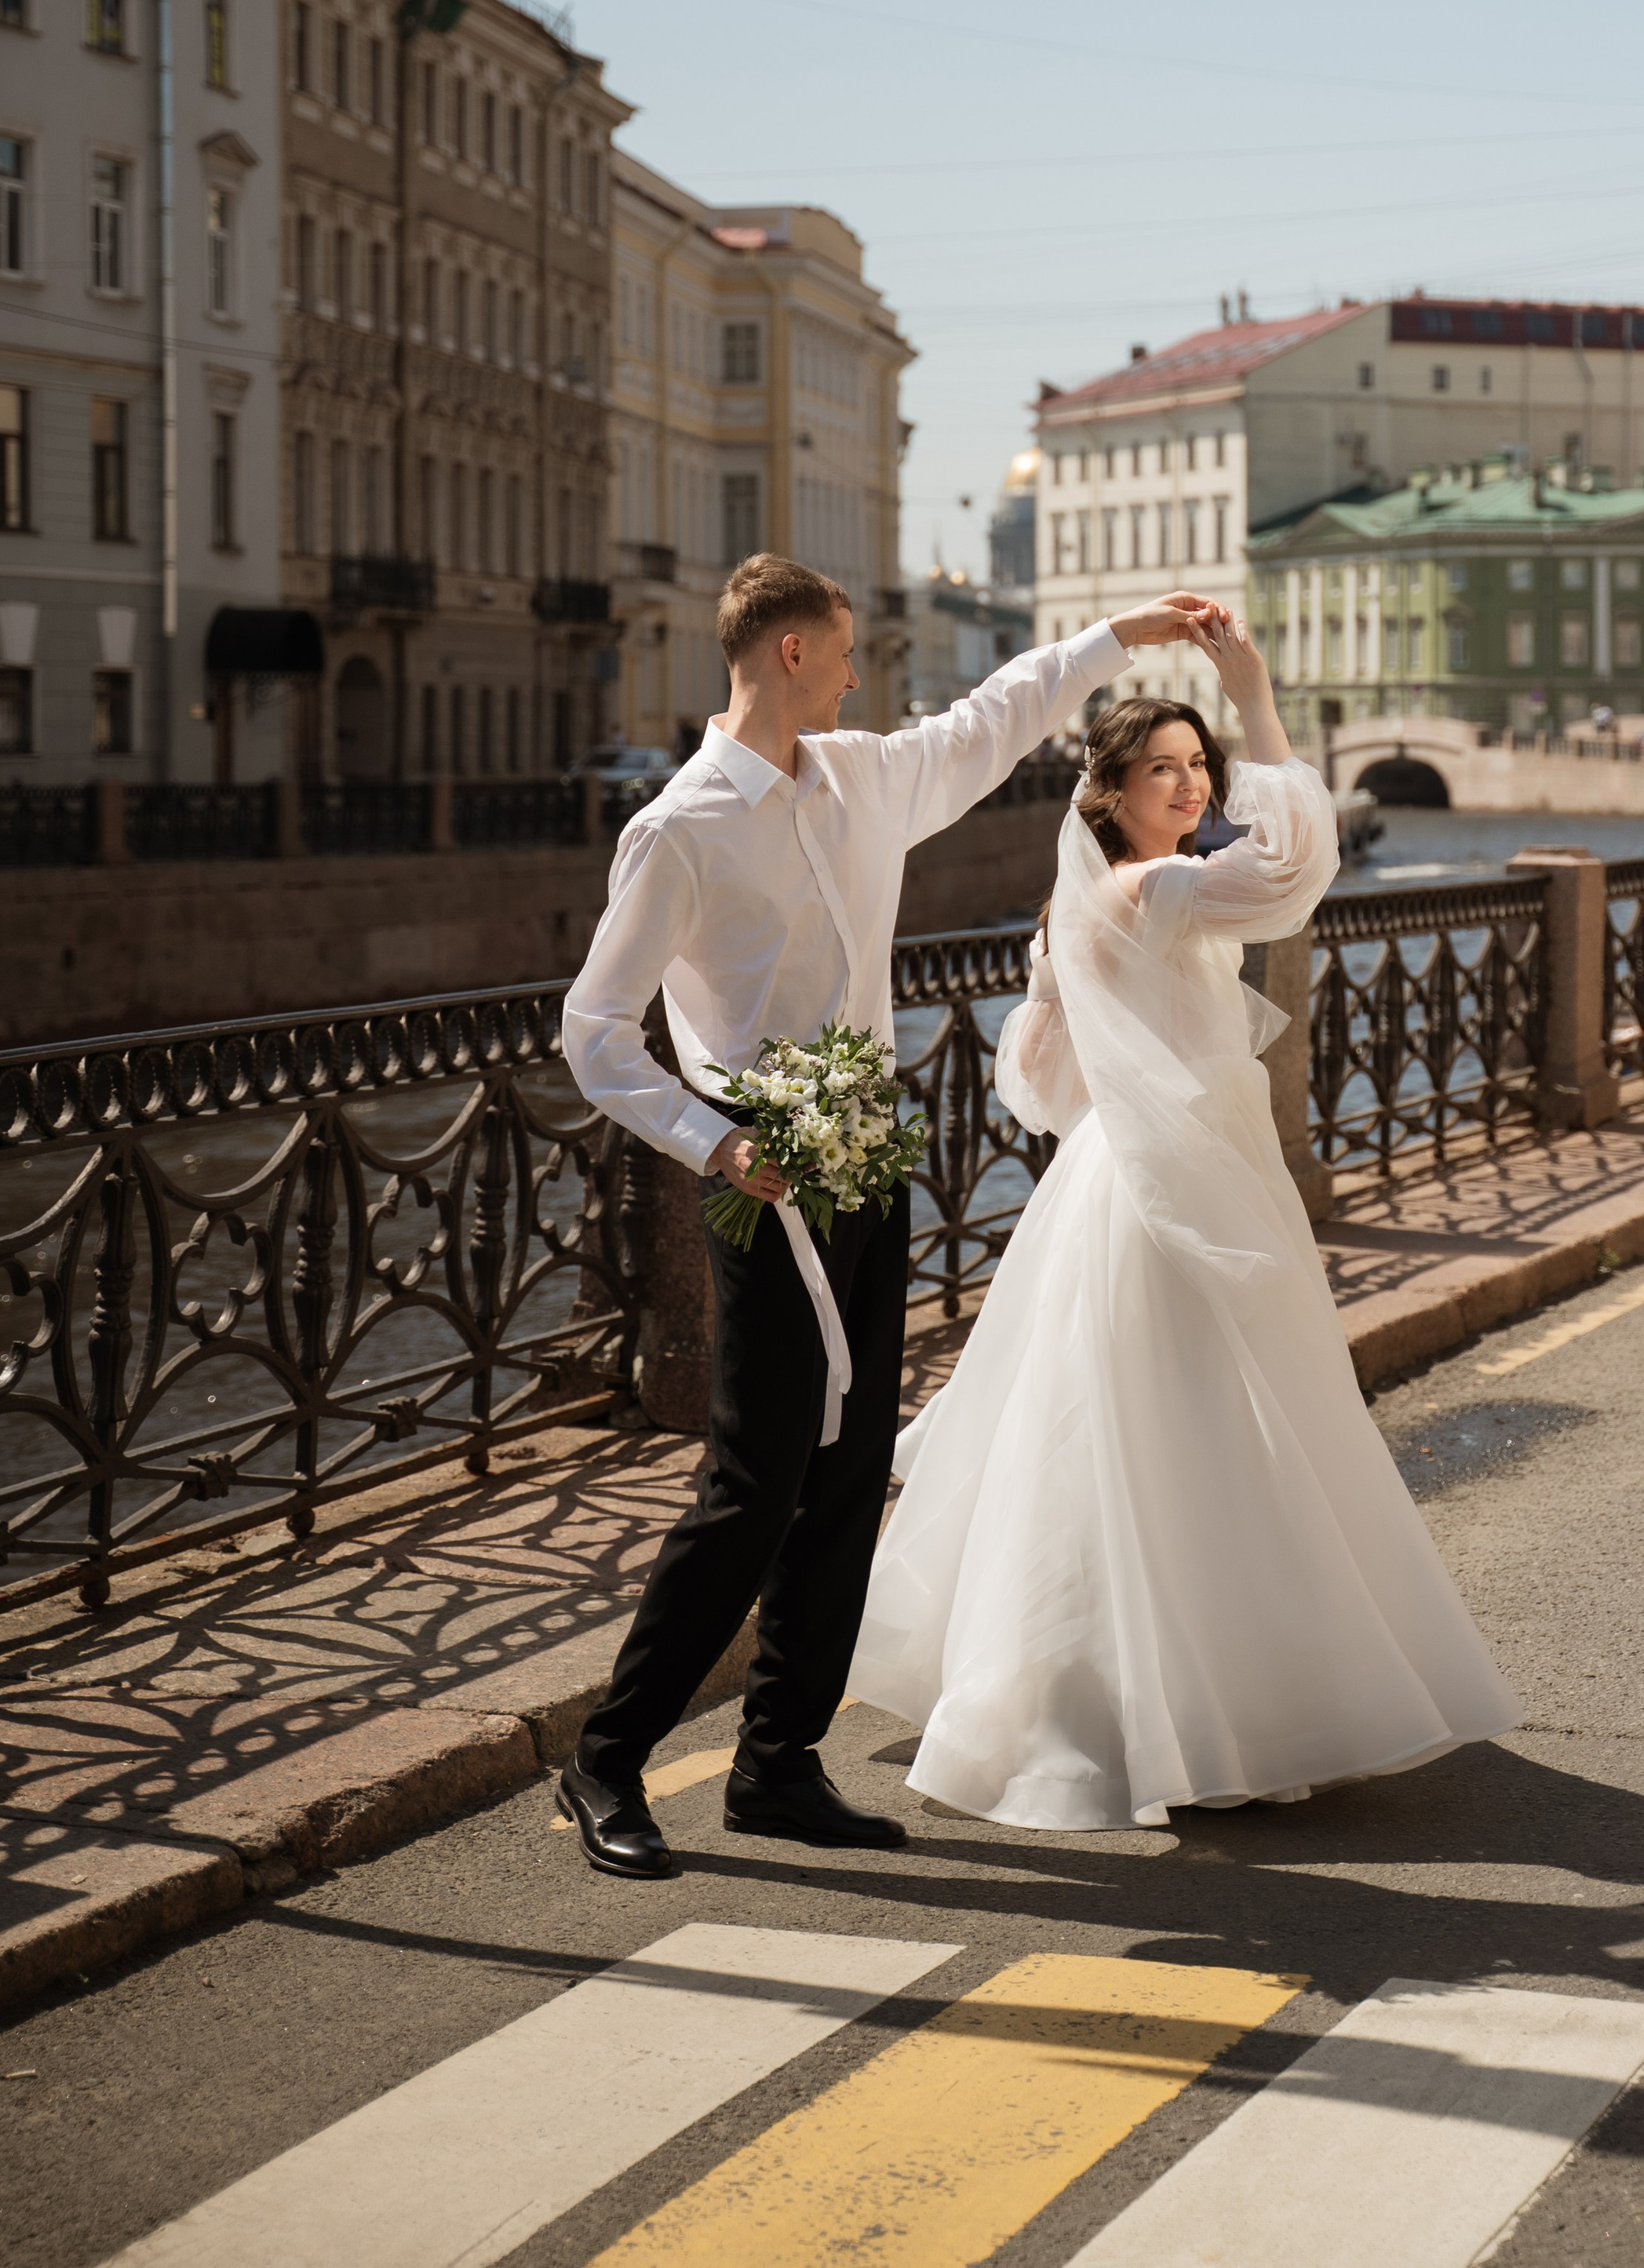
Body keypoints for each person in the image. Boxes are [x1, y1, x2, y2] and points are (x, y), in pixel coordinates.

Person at [557, 554, 1212, 1877]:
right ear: (790, 653)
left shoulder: (860, 778)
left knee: (851, 1471)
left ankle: (776, 1765)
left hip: (867, 1167)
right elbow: (592, 1034)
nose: (863, 674)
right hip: (762, 1186)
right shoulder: (678, 829)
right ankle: (605, 1762)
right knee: (755, 1480)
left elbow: (992, 721)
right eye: (847, 652)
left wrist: (1116, 637)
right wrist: (714, 1138)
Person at [849, 607, 1522, 1829]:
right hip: (1167, 1179)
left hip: (1114, 1171)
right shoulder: (1158, 887)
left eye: (1200, 764)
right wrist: (1257, 697)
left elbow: (1042, 1083)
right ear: (1107, 794)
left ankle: (1112, 1701)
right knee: (1203, 1424)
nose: (1191, 781)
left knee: (1118, 1433)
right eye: (1163, 767)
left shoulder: (1075, 911)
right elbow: (1290, 875)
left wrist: (1139, 1075)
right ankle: (1217, 1708)